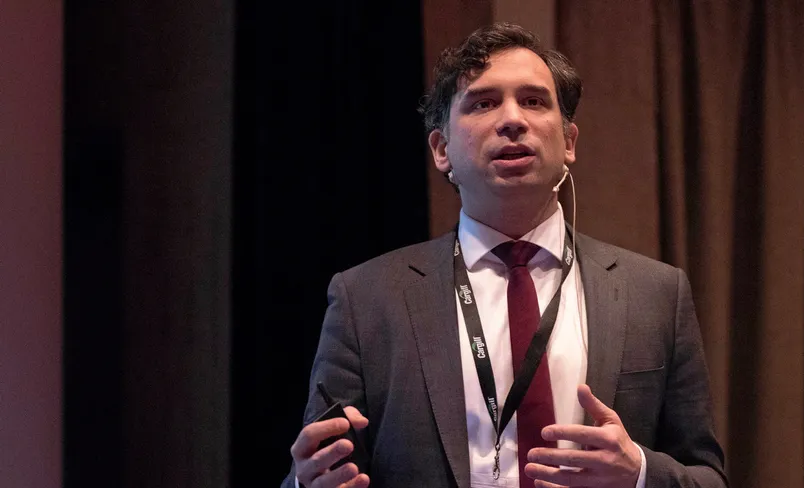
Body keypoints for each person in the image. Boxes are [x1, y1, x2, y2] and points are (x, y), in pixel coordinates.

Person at [284, 22, 727, 488]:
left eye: (534, 101)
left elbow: (708, 477)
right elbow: (318, 467)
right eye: (483, 103)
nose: (512, 119)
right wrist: (306, 483)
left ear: (569, 142)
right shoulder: (366, 299)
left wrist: (639, 473)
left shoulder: (655, 293)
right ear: (441, 149)